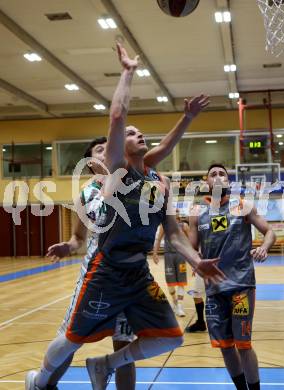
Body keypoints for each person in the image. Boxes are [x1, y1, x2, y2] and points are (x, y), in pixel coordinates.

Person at [25, 44, 223, 390]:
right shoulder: (116, 175)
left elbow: (175, 234)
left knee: (169, 338)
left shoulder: (159, 182)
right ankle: (40, 381)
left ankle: (104, 366)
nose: (137, 134)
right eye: (130, 133)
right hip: (105, 270)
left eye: (139, 132)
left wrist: (197, 260)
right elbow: (117, 117)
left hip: (137, 272)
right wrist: (128, 72)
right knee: (71, 337)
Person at [189, 163, 276, 390]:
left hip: (241, 285)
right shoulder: (197, 213)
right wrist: (195, 261)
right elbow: (191, 248)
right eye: (213, 174)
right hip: (214, 288)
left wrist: (264, 247)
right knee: (225, 346)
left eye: (222, 174)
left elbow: (270, 232)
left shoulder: (243, 207)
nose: (218, 178)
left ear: (229, 181)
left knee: (243, 345)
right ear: (206, 182)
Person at [153, 210, 189, 317]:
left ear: (178, 215)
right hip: (168, 255)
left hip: (180, 255)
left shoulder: (184, 226)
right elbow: (158, 240)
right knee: (170, 282)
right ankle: (175, 303)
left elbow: (190, 240)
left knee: (182, 281)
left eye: (176, 212)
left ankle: (180, 305)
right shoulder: (164, 226)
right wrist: (155, 253)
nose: (174, 213)